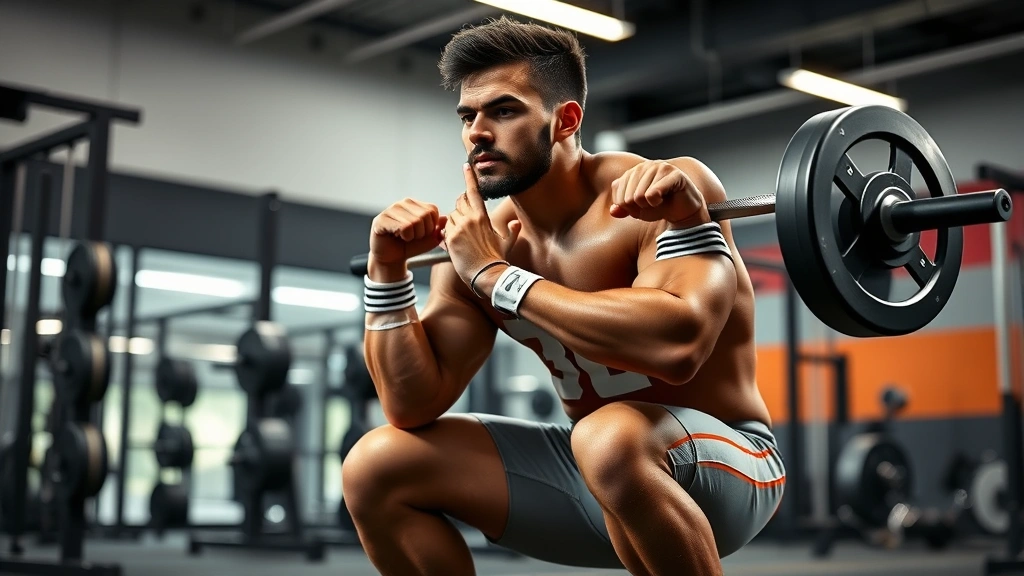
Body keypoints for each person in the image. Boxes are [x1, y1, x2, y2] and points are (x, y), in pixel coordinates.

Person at [342, 16, 785, 576]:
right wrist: (387, 276)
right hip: (592, 478)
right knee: (377, 463)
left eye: (503, 111)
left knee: (610, 437)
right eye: (467, 116)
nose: (478, 132)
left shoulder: (663, 192)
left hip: (727, 470)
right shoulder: (480, 241)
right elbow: (411, 403)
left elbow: (679, 346)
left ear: (565, 120)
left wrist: (497, 278)